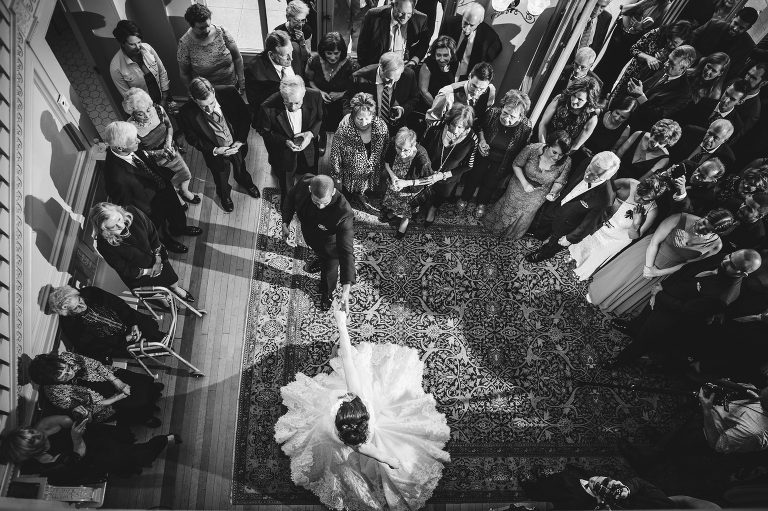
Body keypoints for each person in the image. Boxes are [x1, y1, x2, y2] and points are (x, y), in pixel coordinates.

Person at [274, 306, 450, 510]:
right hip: (345, 433)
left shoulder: (348, 425)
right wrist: (394, 462)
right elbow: (386, 459)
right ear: (362, 411)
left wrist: (341, 324)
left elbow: (348, 358)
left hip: (331, 432)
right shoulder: (361, 431)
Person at [609, 248, 762, 367]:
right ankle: (632, 328)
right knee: (644, 316)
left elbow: (686, 309)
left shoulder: (723, 297)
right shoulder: (725, 257)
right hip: (667, 291)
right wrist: (663, 286)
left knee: (645, 339)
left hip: (671, 314)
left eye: (732, 264)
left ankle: (622, 360)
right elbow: (690, 270)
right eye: (730, 255)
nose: (725, 260)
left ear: (743, 274)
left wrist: (660, 294)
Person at [587, 209, 734, 316]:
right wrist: (649, 267)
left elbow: (688, 264)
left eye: (707, 230)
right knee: (622, 277)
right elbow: (655, 241)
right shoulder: (679, 217)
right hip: (649, 253)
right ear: (705, 215)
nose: (700, 228)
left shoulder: (716, 246)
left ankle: (616, 304)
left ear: (716, 233)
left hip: (669, 269)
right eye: (703, 222)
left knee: (638, 290)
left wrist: (658, 273)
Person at [101, 121, 201, 254]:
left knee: (177, 212)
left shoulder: (131, 143)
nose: (138, 140)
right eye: (134, 140)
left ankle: (180, 229)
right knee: (159, 229)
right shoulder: (115, 177)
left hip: (163, 186)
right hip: (150, 207)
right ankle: (169, 242)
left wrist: (160, 154)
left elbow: (144, 155)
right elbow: (124, 204)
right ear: (120, 148)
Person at [0, 415, 179, 483]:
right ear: (31, 452)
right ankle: (165, 440)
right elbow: (79, 460)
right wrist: (76, 439)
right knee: (139, 457)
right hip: (92, 460)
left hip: (96, 440)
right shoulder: (46, 462)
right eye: (34, 441)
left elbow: (70, 420)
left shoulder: (44, 427)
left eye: (32, 432)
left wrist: (79, 416)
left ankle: (151, 447)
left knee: (130, 453)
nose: (38, 435)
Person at [176, 77, 260, 213]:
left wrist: (240, 140)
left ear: (213, 92)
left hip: (237, 145)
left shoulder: (230, 93)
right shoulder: (186, 113)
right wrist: (215, 150)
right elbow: (192, 139)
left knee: (241, 167)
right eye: (203, 106)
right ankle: (224, 195)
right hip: (215, 154)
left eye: (211, 103)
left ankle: (246, 182)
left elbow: (244, 116)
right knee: (221, 177)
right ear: (193, 99)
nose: (209, 109)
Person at [90, 202, 195, 303]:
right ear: (105, 230)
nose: (121, 226)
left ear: (119, 211)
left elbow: (153, 233)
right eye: (113, 226)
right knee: (153, 293)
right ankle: (163, 300)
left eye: (119, 219)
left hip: (156, 257)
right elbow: (124, 269)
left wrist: (158, 259)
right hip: (138, 275)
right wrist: (148, 272)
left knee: (171, 278)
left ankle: (176, 289)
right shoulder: (104, 245)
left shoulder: (133, 212)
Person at [525, 151, 619, 263]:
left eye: (595, 172)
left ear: (606, 174)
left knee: (555, 243)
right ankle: (539, 236)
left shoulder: (605, 198)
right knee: (544, 223)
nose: (588, 172)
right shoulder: (588, 162)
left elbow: (589, 223)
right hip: (558, 204)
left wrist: (570, 238)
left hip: (569, 222)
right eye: (590, 167)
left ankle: (542, 255)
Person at [29, 351, 164, 427]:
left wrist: (117, 381)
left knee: (138, 382)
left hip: (106, 376)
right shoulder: (54, 393)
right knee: (133, 403)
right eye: (62, 376)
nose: (69, 373)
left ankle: (151, 391)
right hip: (101, 403)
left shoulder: (66, 357)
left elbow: (96, 364)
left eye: (67, 368)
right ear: (51, 381)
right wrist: (116, 398)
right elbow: (86, 407)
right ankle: (145, 416)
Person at [569, 175, 665, 281]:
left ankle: (583, 271)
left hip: (616, 240)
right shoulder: (627, 183)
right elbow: (600, 193)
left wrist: (636, 224)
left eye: (644, 200)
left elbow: (633, 236)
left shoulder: (652, 211)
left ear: (654, 199)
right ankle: (574, 256)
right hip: (602, 224)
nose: (638, 199)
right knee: (584, 243)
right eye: (638, 193)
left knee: (598, 256)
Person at [282, 175, 355, 311]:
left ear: (333, 193)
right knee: (318, 254)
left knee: (329, 273)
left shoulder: (344, 213)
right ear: (310, 189)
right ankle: (318, 259)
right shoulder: (304, 182)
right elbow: (290, 198)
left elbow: (347, 252)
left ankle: (327, 294)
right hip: (310, 237)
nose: (320, 207)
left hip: (331, 248)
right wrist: (285, 222)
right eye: (316, 202)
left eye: (325, 203)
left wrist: (346, 289)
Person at [482, 131, 571, 240]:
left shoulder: (566, 162)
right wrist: (525, 183)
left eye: (561, 154)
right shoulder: (532, 149)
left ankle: (511, 235)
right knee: (510, 206)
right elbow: (516, 165)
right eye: (554, 152)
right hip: (519, 183)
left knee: (526, 214)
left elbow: (559, 181)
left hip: (540, 192)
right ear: (548, 145)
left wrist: (553, 192)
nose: (557, 157)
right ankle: (496, 228)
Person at [459, 89, 533, 217]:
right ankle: (464, 198)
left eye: (513, 116)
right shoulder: (493, 113)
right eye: (505, 113)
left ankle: (482, 203)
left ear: (521, 117)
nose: (506, 119)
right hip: (483, 153)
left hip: (504, 159)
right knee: (474, 176)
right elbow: (480, 127)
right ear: (502, 106)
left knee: (491, 182)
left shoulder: (525, 127)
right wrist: (482, 140)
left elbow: (522, 148)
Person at [47, 285, 164, 362]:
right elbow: (94, 346)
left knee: (154, 331)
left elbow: (119, 304)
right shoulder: (70, 325)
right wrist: (124, 340)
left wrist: (133, 323)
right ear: (67, 312)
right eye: (76, 307)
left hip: (130, 321)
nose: (82, 306)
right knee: (156, 350)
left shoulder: (90, 293)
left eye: (80, 300)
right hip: (118, 342)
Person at [123, 88, 198, 206]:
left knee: (186, 174)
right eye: (140, 114)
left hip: (172, 152)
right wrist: (159, 153)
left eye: (148, 109)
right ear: (132, 113)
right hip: (156, 162)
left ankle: (184, 190)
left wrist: (168, 141)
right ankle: (178, 199)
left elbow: (169, 126)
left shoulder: (158, 109)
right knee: (169, 183)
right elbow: (139, 152)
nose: (147, 116)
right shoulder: (130, 128)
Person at [257, 75, 323, 200]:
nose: (292, 108)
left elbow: (319, 119)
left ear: (304, 94)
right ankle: (287, 202)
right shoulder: (267, 106)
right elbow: (264, 131)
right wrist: (284, 141)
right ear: (282, 96)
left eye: (297, 103)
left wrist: (310, 134)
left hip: (308, 147)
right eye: (287, 103)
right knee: (286, 179)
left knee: (309, 173)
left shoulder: (316, 96)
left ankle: (309, 198)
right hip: (284, 150)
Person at [609, 20, 693, 105]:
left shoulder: (680, 52)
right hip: (634, 71)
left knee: (629, 105)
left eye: (675, 43)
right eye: (669, 38)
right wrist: (648, 58)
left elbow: (668, 71)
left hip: (650, 81)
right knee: (617, 97)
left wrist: (661, 63)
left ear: (683, 42)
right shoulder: (657, 32)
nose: (670, 43)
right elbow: (633, 49)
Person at [594, 0, 671, 91]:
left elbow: (658, 32)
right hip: (620, 30)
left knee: (617, 66)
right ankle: (592, 83)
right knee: (606, 59)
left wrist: (641, 27)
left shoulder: (666, 6)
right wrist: (640, 3)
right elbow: (623, 9)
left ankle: (603, 91)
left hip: (635, 39)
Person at [422, 104, 477, 225]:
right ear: (448, 121)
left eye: (461, 127)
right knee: (421, 192)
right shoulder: (435, 127)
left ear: (467, 127)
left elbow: (469, 164)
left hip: (449, 176)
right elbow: (421, 149)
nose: (456, 130)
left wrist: (443, 175)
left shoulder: (472, 139)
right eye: (453, 125)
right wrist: (427, 169)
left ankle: (433, 208)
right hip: (427, 170)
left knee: (443, 194)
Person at [327, 92, 389, 200]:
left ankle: (363, 198)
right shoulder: (344, 128)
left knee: (367, 191)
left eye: (367, 119)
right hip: (350, 173)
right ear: (353, 115)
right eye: (360, 119)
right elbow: (335, 153)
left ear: (373, 115)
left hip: (371, 172)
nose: (364, 123)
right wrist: (337, 174)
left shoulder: (381, 126)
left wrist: (382, 163)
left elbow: (386, 145)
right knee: (348, 196)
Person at [626, 45, 698, 131]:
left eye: (672, 63)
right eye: (668, 59)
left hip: (637, 128)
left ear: (684, 67)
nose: (666, 64)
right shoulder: (658, 66)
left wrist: (640, 96)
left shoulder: (684, 92)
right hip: (623, 114)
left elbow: (657, 117)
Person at [381, 127, 436, 238]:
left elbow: (430, 179)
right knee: (394, 200)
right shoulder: (393, 145)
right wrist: (393, 177)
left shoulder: (422, 157)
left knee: (407, 209)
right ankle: (394, 212)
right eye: (399, 148)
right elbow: (386, 163)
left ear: (413, 145)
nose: (401, 153)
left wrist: (405, 183)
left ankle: (404, 222)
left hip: (410, 190)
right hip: (395, 184)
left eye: (406, 150)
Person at [176, 4, 245, 90]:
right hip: (208, 92)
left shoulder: (221, 32)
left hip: (232, 86)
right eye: (201, 28)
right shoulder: (185, 44)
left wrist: (242, 82)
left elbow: (237, 58)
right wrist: (193, 94)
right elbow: (184, 74)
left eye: (208, 25)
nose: (207, 30)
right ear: (192, 25)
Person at [244, 30, 306, 124]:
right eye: (285, 55)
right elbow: (255, 103)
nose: (291, 58)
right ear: (271, 55)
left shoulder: (295, 48)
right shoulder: (254, 69)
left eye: (291, 52)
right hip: (276, 118)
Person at [349, 51, 419, 130]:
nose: (391, 84)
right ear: (381, 68)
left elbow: (414, 98)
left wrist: (402, 109)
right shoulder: (360, 77)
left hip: (396, 129)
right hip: (367, 129)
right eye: (389, 79)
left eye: (395, 80)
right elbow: (348, 102)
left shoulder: (408, 75)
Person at [305, 32, 357, 132]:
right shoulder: (314, 61)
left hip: (342, 108)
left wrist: (342, 94)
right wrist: (319, 92)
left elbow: (355, 87)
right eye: (329, 53)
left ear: (342, 51)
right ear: (323, 51)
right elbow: (309, 81)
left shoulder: (350, 65)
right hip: (318, 106)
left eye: (336, 53)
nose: (333, 57)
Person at [109, 20, 169, 106]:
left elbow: (162, 72)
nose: (138, 47)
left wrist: (164, 98)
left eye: (139, 42)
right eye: (132, 44)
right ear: (122, 43)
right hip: (144, 108)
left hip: (164, 96)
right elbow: (129, 97)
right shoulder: (115, 68)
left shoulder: (147, 48)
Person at [438, 2, 502, 81]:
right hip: (444, 72)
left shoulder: (489, 36)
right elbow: (439, 45)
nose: (466, 29)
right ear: (463, 16)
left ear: (480, 22)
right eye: (465, 23)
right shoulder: (450, 23)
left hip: (466, 78)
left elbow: (497, 49)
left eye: (472, 25)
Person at [356, 0, 430, 67]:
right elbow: (362, 47)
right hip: (378, 67)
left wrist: (414, 61)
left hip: (405, 67)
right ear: (393, 6)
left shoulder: (420, 19)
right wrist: (367, 70)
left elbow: (424, 44)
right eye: (401, 13)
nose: (404, 17)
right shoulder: (373, 16)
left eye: (409, 14)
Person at [692, 7, 759, 78]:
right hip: (692, 64)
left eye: (741, 28)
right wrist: (701, 61)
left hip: (712, 80)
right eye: (735, 23)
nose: (735, 28)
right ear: (734, 17)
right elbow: (690, 40)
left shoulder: (748, 46)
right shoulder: (713, 24)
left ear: (748, 28)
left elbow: (733, 72)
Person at [538, 77, 601, 152]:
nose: (574, 101)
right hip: (542, 143)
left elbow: (575, 146)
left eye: (580, 99)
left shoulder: (591, 118)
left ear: (589, 101)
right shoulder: (560, 99)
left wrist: (557, 155)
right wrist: (544, 147)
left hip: (561, 154)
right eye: (574, 95)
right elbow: (543, 124)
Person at [425, 62, 495, 129]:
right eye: (473, 86)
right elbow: (431, 121)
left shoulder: (490, 92)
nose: (476, 93)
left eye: (481, 89)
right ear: (469, 76)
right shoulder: (447, 93)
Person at [675, 77, 746, 138]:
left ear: (740, 102)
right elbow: (682, 119)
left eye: (732, 99)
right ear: (726, 89)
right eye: (726, 94)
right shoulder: (704, 102)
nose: (725, 100)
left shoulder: (736, 126)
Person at [614, 118, 680, 179]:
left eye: (661, 143)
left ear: (667, 145)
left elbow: (642, 180)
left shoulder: (664, 158)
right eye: (655, 139)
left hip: (628, 187)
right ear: (652, 133)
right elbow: (619, 154)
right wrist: (612, 174)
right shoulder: (638, 134)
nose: (655, 144)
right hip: (612, 172)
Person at [669, 119, 736, 169]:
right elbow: (670, 152)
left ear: (725, 140)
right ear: (708, 128)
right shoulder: (690, 132)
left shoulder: (727, 158)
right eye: (709, 133)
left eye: (716, 138)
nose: (709, 139)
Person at [417, 36, 458, 110]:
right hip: (429, 103)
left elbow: (454, 88)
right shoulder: (428, 63)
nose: (442, 59)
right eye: (438, 55)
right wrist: (437, 109)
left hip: (447, 103)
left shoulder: (456, 63)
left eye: (446, 55)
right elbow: (424, 91)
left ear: (451, 54)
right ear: (434, 54)